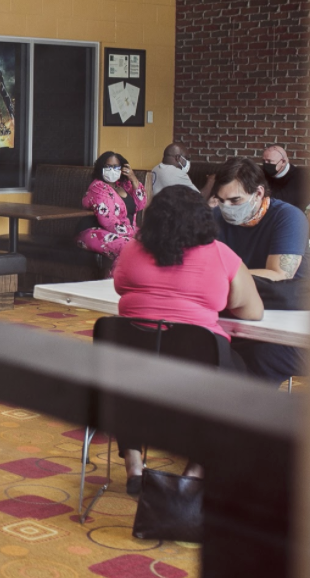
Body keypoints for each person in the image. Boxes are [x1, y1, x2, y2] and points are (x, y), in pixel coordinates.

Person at [112, 185, 263, 493]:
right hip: (198, 367)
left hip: (132, 369)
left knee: (124, 383)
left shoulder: (130, 251)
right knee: (241, 388)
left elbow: (120, 288)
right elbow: (252, 311)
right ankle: (195, 471)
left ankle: (134, 463)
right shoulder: (221, 256)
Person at [212, 156, 310, 384]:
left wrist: (222, 275)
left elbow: (280, 273)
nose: (227, 208)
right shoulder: (216, 216)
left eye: (235, 200)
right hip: (243, 318)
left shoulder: (288, 217)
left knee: (258, 361)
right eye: (221, 200)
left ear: (258, 193)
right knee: (203, 349)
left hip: (294, 324)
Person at [78, 151, 146, 260]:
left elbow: (141, 204)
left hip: (124, 231)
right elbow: (109, 222)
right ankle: (116, 277)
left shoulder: (124, 185)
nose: (112, 170)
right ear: (101, 168)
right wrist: (132, 233)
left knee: (154, 242)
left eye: (115, 167)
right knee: (130, 247)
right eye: (108, 166)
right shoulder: (98, 188)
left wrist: (133, 179)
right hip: (94, 232)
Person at [147, 143, 212, 202]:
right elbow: (200, 199)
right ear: (178, 158)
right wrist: (211, 180)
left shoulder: (156, 168)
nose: (188, 161)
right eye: (187, 158)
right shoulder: (175, 173)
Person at [261, 144, 310, 210]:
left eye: (269, 161)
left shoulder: (301, 178)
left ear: (283, 162)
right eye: (264, 161)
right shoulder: (261, 174)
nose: (266, 164)